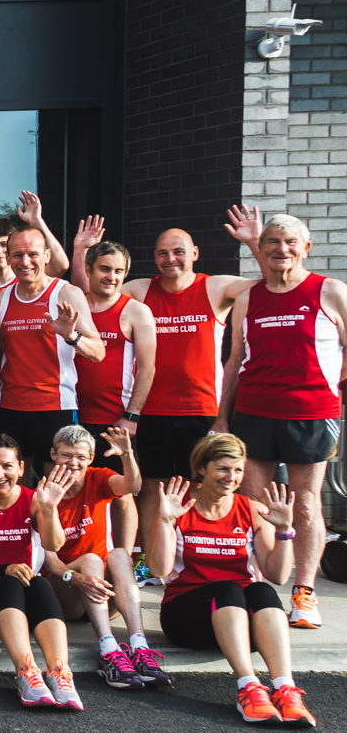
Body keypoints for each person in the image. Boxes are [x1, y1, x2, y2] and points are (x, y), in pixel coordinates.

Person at [215, 212, 347, 632]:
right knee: (256, 503)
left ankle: (304, 592)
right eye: (272, 242)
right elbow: (235, 361)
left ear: (306, 248)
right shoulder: (250, 298)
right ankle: (260, 584)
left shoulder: (329, 291)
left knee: (305, 503)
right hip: (253, 412)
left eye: (290, 242)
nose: (281, 249)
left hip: (311, 413)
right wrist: (222, 417)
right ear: (262, 248)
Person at [119, 209, 260, 596]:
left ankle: (200, 559)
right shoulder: (141, 289)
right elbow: (92, 293)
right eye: (163, 253)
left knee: (203, 486)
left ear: (194, 253)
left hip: (202, 412)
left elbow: (269, 284)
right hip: (150, 410)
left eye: (178, 251)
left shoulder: (214, 287)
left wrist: (252, 241)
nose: (170, 259)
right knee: (152, 488)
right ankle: (150, 560)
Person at [148, 434, 315, 726]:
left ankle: (285, 688)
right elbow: (160, 569)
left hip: (242, 626)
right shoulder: (178, 507)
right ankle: (248, 688)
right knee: (226, 589)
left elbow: (277, 575)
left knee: (261, 590)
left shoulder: (250, 510)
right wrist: (164, 522)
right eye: (224, 469)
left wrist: (285, 531)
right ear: (202, 468)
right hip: (186, 620)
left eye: (238, 470)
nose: (232, 477)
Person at [0, 436, 81, 710]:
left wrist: (50, 508)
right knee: (9, 582)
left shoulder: (33, 500)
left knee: (38, 583)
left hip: (23, 604)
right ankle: (27, 672)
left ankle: (60, 673)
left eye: (7, 466)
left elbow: (54, 545)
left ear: (21, 468)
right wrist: (3, 569)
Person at [42, 425, 162, 691]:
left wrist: (127, 454)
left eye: (81, 457)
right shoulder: (43, 492)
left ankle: (140, 647)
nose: (74, 462)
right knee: (91, 560)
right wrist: (76, 578)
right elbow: (46, 560)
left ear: (91, 459)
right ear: (53, 454)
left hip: (102, 596)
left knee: (119, 554)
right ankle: (108, 651)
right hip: (67, 591)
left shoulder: (99, 478)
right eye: (66, 455)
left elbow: (133, 485)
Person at [0, 223, 104, 463]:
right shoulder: (0, 300)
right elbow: (1, 354)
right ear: (8, 258)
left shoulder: (66, 293)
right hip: (10, 406)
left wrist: (71, 336)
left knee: (56, 482)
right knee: (12, 485)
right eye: (18, 255)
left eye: (33, 254)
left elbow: (98, 352)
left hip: (55, 406)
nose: (25, 261)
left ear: (47, 256)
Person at [67, 230, 159, 436]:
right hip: (68, 414)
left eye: (119, 271)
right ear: (88, 270)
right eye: (105, 269)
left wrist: (132, 416)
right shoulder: (73, 306)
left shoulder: (137, 311)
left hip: (114, 421)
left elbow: (147, 368)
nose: (112, 277)